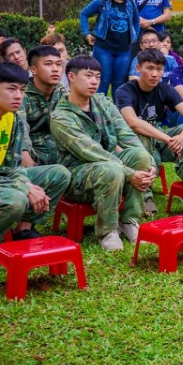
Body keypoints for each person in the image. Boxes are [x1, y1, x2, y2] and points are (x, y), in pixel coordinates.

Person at [0, 63, 71, 270]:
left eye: (22, 90)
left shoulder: (12, 117)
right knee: (16, 199)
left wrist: (25, 183)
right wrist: (24, 188)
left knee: (59, 174)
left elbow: (13, 165)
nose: (19, 96)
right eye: (11, 89)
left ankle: (23, 230)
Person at [51, 55, 155, 252]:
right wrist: (129, 174)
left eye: (97, 77)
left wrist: (149, 163)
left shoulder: (103, 103)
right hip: (76, 178)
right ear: (71, 77)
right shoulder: (61, 116)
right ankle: (108, 231)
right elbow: (90, 151)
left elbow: (126, 134)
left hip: (110, 166)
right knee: (112, 169)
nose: (94, 81)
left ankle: (129, 220)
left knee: (139, 156)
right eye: (88, 76)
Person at [115, 49, 183, 173]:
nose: (155, 74)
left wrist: (181, 137)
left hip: (157, 136)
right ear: (138, 68)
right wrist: (168, 139)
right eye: (149, 68)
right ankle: (144, 184)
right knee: (143, 136)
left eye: (159, 69)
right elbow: (133, 122)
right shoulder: (125, 91)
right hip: (130, 140)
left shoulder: (165, 89)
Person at [81, 0, 140, 97]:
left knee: (118, 83)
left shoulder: (130, 3)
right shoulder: (102, 1)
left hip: (124, 49)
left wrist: (135, 35)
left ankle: (117, 112)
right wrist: (86, 33)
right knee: (103, 81)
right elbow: (84, 14)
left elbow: (136, 20)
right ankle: (98, 112)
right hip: (103, 48)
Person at [18, 45, 67, 167]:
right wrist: (25, 154)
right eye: (48, 64)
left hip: (61, 151)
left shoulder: (62, 92)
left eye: (59, 64)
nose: (55, 69)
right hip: (34, 151)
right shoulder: (21, 95)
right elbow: (19, 127)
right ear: (33, 70)